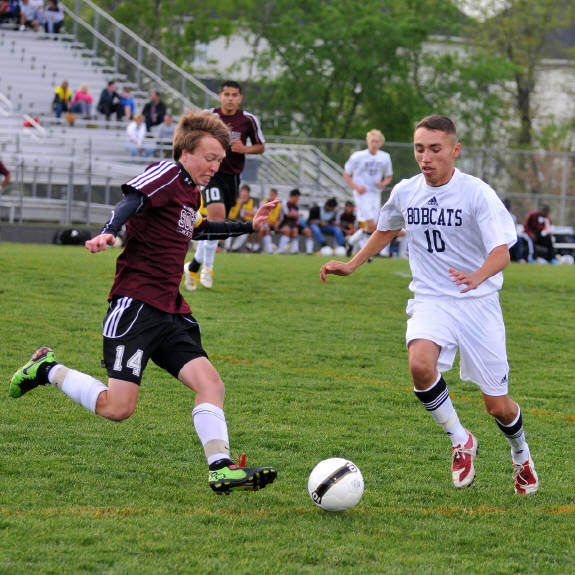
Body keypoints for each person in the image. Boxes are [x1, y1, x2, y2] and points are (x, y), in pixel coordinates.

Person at [9, 110, 278, 495]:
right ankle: (46, 368)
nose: (216, 167)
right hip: (135, 305)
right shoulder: (167, 173)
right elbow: (132, 200)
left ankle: (221, 468)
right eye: (210, 158)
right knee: (118, 408)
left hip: (171, 310)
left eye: (220, 161)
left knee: (211, 384)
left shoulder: (191, 191)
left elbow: (198, 229)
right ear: (186, 151)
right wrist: (108, 231)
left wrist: (249, 225)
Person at [320, 115, 539, 495]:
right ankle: (460, 440)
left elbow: (502, 252)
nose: (426, 157)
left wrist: (478, 276)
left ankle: (521, 454)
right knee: (420, 365)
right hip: (431, 299)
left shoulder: (476, 193)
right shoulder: (406, 191)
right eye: (420, 149)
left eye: (435, 149)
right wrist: (353, 264)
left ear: (455, 151)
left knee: (498, 406)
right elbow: (387, 227)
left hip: (478, 303)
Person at [184, 80, 265, 290]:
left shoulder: (248, 120)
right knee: (217, 217)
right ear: (220, 96)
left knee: (218, 226)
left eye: (234, 95)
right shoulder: (208, 116)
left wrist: (245, 149)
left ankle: (193, 266)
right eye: (226, 94)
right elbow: (190, 137)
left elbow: (261, 146)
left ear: (240, 98)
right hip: (210, 173)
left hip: (233, 177)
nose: (230, 98)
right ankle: (208, 269)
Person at [343, 129, 393, 256]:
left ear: (381, 143)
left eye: (377, 141)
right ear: (367, 141)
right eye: (372, 141)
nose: (374, 144)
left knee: (373, 227)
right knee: (369, 224)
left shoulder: (385, 157)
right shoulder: (358, 156)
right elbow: (346, 174)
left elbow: (389, 176)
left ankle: (351, 241)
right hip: (361, 194)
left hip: (375, 194)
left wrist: (383, 183)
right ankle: (366, 253)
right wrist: (356, 187)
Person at [277, 188, 314, 255]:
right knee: (293, 230)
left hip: (294, 224)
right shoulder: (285, 203)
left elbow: (296, 218)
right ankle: (281, 250)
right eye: (297, 198)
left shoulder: (296, 206)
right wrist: (298, 214)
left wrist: (297, 220)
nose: (298, 199)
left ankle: (309, 251)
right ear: (293, 197)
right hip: (285, 223)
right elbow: (287, 214)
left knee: (308, 231)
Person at [224, 183, 257, 252]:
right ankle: (227, 248)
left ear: (248, 193)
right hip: (232, 221)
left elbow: (255, 213)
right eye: (242, 191)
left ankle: (234, 249)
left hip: (244, 222)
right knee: (229, 228)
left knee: (245, 232)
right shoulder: (236, 200)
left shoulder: (252, 201)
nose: (243, 193)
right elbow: (238, 213)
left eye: (245, 191)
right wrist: (247, 212)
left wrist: (245, 212)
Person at [256, 188, 282, 254]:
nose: (271, 197)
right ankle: (261, 248)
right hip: (263, 222)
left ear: (276, 196)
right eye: (270, 195)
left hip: (273, 225)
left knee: (266, 229)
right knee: (264, 229)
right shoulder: (264, 202)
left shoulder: (279, 205)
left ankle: (263, 248)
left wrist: (277, 223)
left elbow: (279, 217)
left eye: (273, 195)